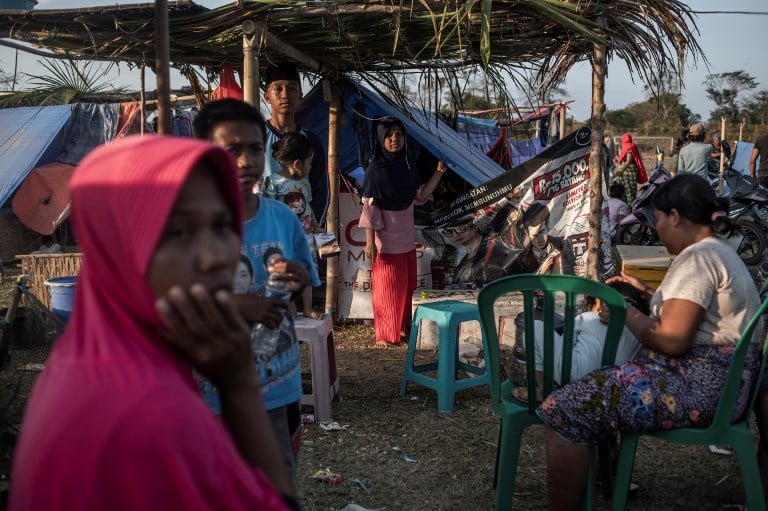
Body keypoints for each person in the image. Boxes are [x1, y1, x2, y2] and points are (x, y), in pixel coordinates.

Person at [8, 135, 297, 510]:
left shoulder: (89, 359)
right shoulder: (151, 414)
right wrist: (241, 386)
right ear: (119, 245)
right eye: (180, 232)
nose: (217, 257)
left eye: (222, 223)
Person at [537, 174, 761, 510]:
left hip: (698, 388)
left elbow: (670, 340)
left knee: (564, 409)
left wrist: (626, 310)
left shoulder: (697, 258)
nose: (656, 228)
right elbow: (699, 316)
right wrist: (648, 293)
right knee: (600, 384)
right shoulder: (718, 252)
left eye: (657, 219)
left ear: (675, 216)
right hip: (723, 385)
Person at [193, 98, 318, 495]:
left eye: (253, 148)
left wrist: (295, 279)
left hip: (275, 384)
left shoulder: (282, 218)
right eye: (231, 151)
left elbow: (301, 278)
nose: (245, 161)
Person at [360, 116, 447, 348]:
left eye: (398, 134)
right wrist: (369, 242)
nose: (394, 138)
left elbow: (420, 196)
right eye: (389, 134)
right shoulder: (375, 170)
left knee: (406, 290)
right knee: (387, 290)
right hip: (386, 246)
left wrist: (438, 173)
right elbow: (369, 208)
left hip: (407, 243)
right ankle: (384, 336)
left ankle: (401, 329)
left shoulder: (408, 165)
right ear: (381, 138)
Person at [512, 282, 644, 403]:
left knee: (535, 328)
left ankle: (542, 389)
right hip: (619, 385)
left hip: (576, 377)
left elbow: (567, 342)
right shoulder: (643, 329)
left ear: (601, 304)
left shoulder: (588, 318)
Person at [265, 131, 324, 320]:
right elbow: (268, 210)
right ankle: (290, 306)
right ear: (298, 164)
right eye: (309, 162)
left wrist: (316, 226)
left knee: (307, 271)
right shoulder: (273, 182)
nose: (310, 167)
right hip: (283, 238)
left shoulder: (305, 182)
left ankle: (307, 307)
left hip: (306, 237)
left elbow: (308, 207)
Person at [262, 61, 328, 225]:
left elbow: (321, 191)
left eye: (292, 88)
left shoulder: (311, 140)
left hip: (301, 232)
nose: (285, 94)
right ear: (267, 96)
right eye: (278, 88)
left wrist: (309, 227)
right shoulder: (256, 138)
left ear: (300, 95)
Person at [439, 213, 519, 288]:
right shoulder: (463, 257)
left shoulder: (495, 247)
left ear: (474, 227)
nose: (455, 235)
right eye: (449, 232)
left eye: (461, 229)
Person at [508, 202, 575, 276]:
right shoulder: (523, 259)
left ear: (547, 227)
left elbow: (571, 271)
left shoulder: (563, 244)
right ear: (528, 234)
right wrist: (541, 272)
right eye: (535, 235)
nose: (539, 239)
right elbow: (523, 284)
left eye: (542, 232)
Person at [613, 133, 647, 205]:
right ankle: (628, 207)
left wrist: (620, 170)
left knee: (629, 192)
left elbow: (628, 161)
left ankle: (629, 209)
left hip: (628, 172)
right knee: (628, 191)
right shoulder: (632, 146)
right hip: (628, 173)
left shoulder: (629, 147)